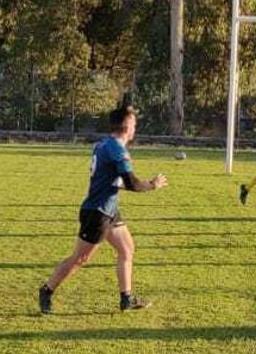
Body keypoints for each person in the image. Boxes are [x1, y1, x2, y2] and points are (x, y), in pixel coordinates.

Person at [39, 105, 169, 314]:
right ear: (127, 127)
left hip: (109, 209)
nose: (136, 128)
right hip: (97, 213)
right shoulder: (117, 150)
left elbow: (112, 179)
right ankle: (46, 290)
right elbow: (132, 183)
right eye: (134, 123)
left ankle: (126, 298)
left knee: (127, 249)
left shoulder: (104, 144)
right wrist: (153, 184)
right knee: (80, 259)